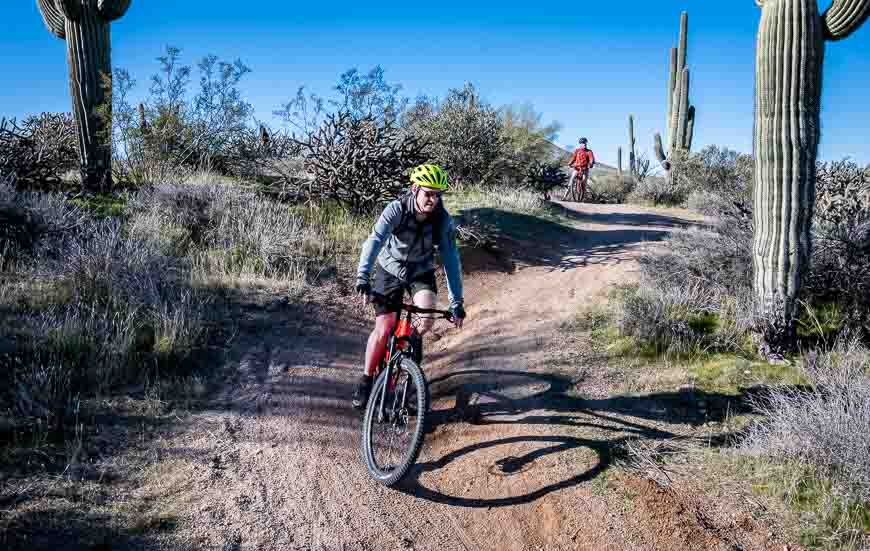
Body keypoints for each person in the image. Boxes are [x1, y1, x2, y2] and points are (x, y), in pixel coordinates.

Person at [352, 163, 466, 410]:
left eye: (438, 195)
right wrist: (363, 276)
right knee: (384, 328)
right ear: (415, 189)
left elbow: (450, 260)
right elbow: (374, 241)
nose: (433, 200)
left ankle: (409, 365)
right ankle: (366, 379)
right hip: (389, 269)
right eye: (428, 193)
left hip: (421, 271)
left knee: (425, 319)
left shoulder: (442, 220)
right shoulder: (397, 210)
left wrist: (457, 302)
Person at [567, 137, 595, 201]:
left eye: (585, 143)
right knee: (572, 178)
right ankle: (567, 194)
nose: (584, 144)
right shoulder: (577, 151)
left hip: (585, 168)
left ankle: (584, 196)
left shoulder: (589, 152)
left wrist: (590, 164)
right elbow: (573, 158)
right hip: (577, 168)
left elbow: (591, 159)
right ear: (580, 144)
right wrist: (570, 163)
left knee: (584, 180)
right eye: (582, 143)